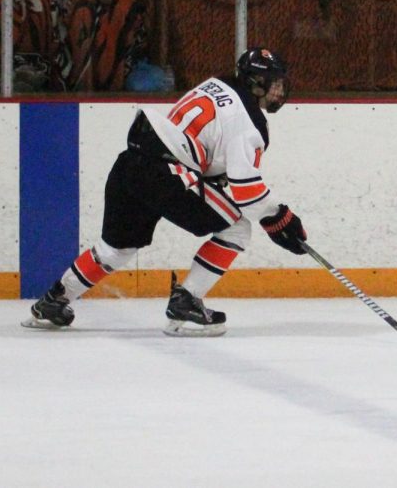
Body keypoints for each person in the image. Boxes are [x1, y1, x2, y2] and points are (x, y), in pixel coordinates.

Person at [24, 47, 308, 337]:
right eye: (273, 82)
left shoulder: (216, 84)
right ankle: (186, 301)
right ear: (255, 82)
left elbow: (205, 148)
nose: (279, 90)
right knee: (236, 228)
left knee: (116, 248)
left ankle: (53, 302)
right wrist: (281, 217)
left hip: (131, 162)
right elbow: (247, 192)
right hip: (167, 173)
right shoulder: (249, 122)